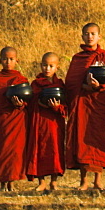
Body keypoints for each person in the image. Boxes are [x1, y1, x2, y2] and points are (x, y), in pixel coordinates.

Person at [65, 22, 105, 191]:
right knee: (81, 138)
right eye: (86, 34)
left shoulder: (104, 56)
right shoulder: (77, 58)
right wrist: (81, 88)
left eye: (93, 33)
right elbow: (71, 82)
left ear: (99, 36)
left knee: (96, 138)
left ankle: (98, 180)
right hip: (81, 103)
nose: (90, 36)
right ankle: (84, 181)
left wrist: (96, 87)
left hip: (96, 103)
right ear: (82, 36)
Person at [25, 51, 67, 192]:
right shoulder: (35, 84)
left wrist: (56, 107)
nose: (47, 69)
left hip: (55, 123)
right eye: (44, 65)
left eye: (51, 66)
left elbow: (66, 106)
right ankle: (41, 181)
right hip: (39, 122)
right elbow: (29, 103)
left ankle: (54, 181)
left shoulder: (60, 84)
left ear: (57, 68)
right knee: (39, 150)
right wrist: (40, 104)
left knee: (55, 150)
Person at [0, 46, 29, 191]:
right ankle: (2, 182)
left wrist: (20, 104)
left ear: (17, 61)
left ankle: (12, 182)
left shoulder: (20, 78)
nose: (8, 62)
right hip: (4, 118)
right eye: (5, 59)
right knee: (3, 149)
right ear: (0, 60)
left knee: (15, 151)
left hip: (17, 117)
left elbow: (27, 98)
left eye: (11, 59)